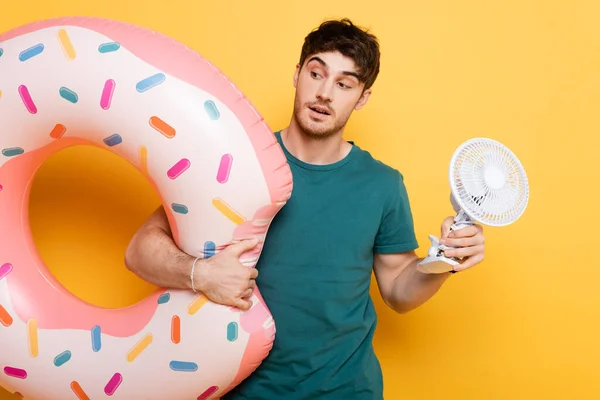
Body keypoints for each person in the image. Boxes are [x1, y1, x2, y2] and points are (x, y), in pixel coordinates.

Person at [124, 18, 486, 400]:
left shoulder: (382, 184)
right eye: (317, 73)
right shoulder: (236, 161)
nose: (325, 93)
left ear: (362, 97)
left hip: (346, 389)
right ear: (297, 75)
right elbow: (139, 251)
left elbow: (398, 289)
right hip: (244, 389)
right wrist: (201, 273)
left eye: (344, 84)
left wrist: (444, 261)